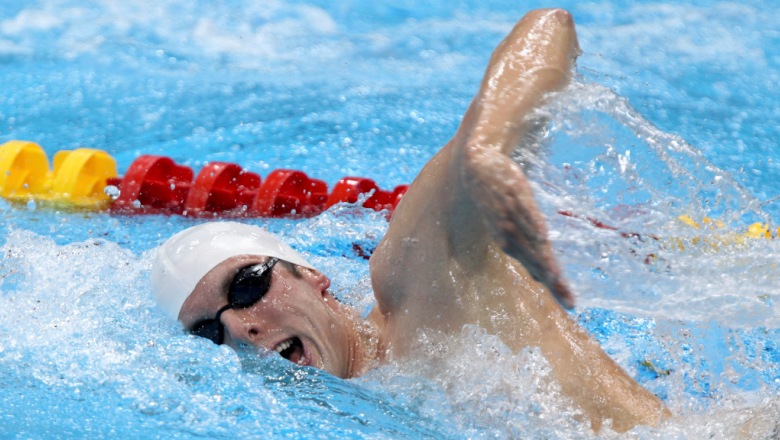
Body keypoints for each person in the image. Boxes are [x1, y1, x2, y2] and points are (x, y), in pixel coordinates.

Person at [151, 8, 668, 433]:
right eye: (207, 333)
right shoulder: (345, 402)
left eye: (246, 287)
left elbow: (551, 27)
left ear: (311, 275)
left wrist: (486, 148)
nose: (240, 328)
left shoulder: (419, 284)